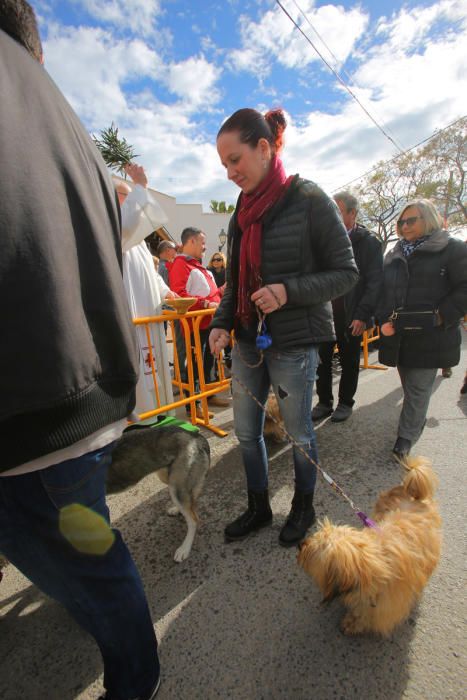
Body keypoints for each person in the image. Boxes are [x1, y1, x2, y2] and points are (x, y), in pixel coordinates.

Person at [0, 4, 160, 699]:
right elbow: (121, 227)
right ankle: (110, 633)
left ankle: (135, 673)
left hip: (36, 400)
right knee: (84, 552)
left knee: (87, 556)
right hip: (83, 386)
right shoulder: (65, 118)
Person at [209, 108, 358, 546]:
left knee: (298, 433)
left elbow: (345, 272)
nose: (231, 173)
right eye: (224, 166)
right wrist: (221, 323)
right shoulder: (241, 209)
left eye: (235, 160)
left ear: (263, 147)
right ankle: (258, 506)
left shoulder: (310, 198)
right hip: (246, 340)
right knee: (246, 433)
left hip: (294, 342)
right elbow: (235, 280)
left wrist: (286, 291)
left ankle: (303, 507)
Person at [377, 198, 467, 462]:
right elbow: (383, 292)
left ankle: (405, 439)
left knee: (417, 388)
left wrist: (440, 316)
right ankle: (414, 422)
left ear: (428, 218)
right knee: (410, 387)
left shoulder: (453, 249)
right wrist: (382, 319)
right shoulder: (393, 254)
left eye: (411, 220)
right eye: (401, 221)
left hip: (432, 335)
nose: (404, 226)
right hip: (400, 336)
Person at [313, 191, 383, 422]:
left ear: (352, 213)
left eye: (337, 210)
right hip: (324, 315)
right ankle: (324, 402)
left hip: (352, 314)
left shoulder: (368, 241)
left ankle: (345, 403)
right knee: (321, 362)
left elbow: (374, 283)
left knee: (349, 361)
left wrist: (363, 315)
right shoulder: (324, 241)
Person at [116, 164, 177, 415]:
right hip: (135, 322)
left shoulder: (138, 242)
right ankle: (143, 421)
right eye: (127, 197)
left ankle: (159, 416)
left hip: (150, 322)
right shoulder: (112, 229)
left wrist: (166, 292)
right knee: (142, 379)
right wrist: (140, 185)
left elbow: (150, 275)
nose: (133, 203)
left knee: (156, 375)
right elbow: (125, 225)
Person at [168, 227, 230, 413]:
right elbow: (179, 295)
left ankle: (207, 395)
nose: (205, 247)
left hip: (207, 323)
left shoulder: (195, 265)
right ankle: (193, 405)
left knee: (207, 362)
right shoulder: (181, 264)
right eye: (202, 242)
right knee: (195, 364)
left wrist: (220, 292)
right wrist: (206, 305)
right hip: (194, 325)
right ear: (191, 241)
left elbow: (208, 294)